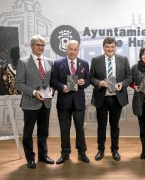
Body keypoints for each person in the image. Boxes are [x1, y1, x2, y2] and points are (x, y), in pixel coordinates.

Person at [15, 35, 54, 169]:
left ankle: (43, 156)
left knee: (43, 132)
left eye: (42, 45)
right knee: (28, 133)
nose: (41, 47)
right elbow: (18, 84)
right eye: (38, 45)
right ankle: (30, 158)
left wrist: (52, 90)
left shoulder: (50, 61)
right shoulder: (23, 62)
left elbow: (51, 82)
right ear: (32, 46)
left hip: (46, 103)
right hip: (30, 103)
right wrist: (33, 92)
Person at [90, 37, 132, 161]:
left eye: (112, 47)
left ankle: (115, 150)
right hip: (101, 98)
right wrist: (99, 83)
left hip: (116, 98)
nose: (110, 49)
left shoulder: (123, 60)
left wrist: (122, 85)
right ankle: (100, 150)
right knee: (101, 126)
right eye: (107, 47)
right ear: (103, 47)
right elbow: (91, 77)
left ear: (115, 47)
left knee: (115, 126)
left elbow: (129, 77)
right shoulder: (96, 60)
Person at [51, 40, 90, 164]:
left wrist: (84, 82)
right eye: (70, 49)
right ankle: (65, 153)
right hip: (64, 101)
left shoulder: (84, 64)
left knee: (80, 128)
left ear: (78, 50)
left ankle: (82, 152)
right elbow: (53, 81)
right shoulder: (57, 63)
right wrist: (62, 86)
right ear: (66, 49)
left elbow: (88, 79)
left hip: (78, 102)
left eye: (75, 49)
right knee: (64, 129)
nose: (72, 52)